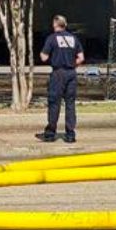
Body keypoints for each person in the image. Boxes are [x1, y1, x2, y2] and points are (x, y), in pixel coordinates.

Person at [36, 15, 84, 143]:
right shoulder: (74, 39)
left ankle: (51, 132)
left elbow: (44, 57)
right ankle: (70, 133)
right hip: (71, 73)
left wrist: (43, 54)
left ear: (55, 24)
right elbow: (81, 57)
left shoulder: (52, 39)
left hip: (58, 74)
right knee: (70, 103)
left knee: (54, 103)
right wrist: (73, 65)